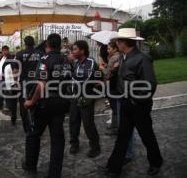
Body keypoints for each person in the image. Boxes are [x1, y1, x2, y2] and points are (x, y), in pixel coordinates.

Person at [105, 28, 163, 177]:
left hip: (138, 106)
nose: (116, 43)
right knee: (122, 136)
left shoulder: (142, 58)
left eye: (118, 40)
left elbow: (150, 85)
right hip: (125, 103)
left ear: (124, 42)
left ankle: (156, 162)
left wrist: (136, 100)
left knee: (147, 135)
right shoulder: (123, 58)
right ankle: (114, 167)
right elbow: (124, 81)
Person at [23, 33, 71, 178]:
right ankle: (54, 174)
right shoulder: (65, 60)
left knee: (33, 134)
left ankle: (30, 166)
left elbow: (41, 84)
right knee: (57, 139)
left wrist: (31, 101)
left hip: (46, 103)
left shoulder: (45, 59)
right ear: (60, 45)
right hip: (61, 103)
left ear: (47, 45)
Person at [68, 40, 101, 158]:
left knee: (88, 124)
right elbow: (73, 79)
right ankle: (74, 143)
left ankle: (95, 146)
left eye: (75, 49)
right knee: (73, 122)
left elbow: (84, 80)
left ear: (82, 50)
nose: (73, 51)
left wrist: (71, 66)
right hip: (74, 97)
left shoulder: (90, 62)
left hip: (86, 97)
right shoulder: (76, 63)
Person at [15, 36, 42, 132]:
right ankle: (36, 125)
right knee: (37, 104)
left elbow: (16, 71)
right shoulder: (40, 54)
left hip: (24, 83)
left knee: (24, 106)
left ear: (24, 43)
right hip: (37, 83)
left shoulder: (19, 54)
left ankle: (27, 128)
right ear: (34, 43)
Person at [0, 45, 18, 126]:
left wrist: (13, 83)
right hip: (2, 80)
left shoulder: (11, 58)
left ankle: (13, 117)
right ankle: (8, 110)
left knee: (11, 101)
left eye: (5, 50)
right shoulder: (2, 58)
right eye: (3, 50)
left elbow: (14, 71)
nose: (4, 52)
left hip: (10, 82)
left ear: (8, 50)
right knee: (6, 98)